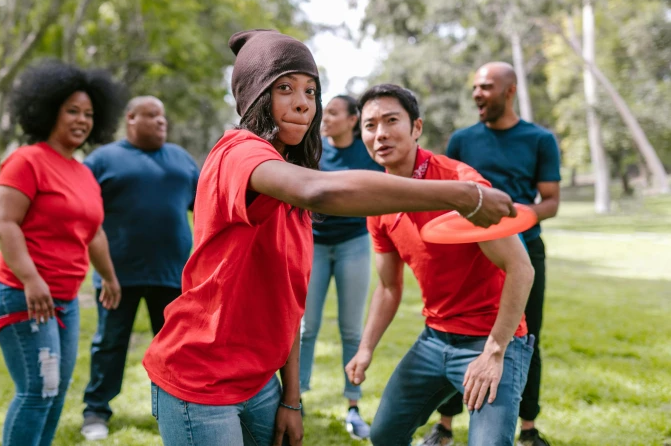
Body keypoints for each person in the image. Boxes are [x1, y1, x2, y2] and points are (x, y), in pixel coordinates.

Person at [141, 29, 517, 446]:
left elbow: (287, 302)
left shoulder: (288, 187)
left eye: (311, 90)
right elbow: (320, 190)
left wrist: (291, 398)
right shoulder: (238, 153)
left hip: (260, 382)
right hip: (201, 378)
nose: (303, 102)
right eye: (284, 88)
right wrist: (460, 195)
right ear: (254, 96)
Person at [345, 84, 536, 446]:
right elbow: (388, 286)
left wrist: (493, 352)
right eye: (370, 125)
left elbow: (521, 268)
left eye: (391, 120)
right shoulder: (378, 201)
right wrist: (366, 348)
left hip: (492, 340)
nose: (380, 133)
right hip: (435, 338)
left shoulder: (462, 186)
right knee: (384, 436)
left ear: (417, 128)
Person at [0, 60, 126, 446]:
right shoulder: (27, 160)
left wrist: (109, 277)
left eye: (89, 114)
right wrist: (31, 279)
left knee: (56, 390)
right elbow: (4, 222)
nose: (82, 120)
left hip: (62, 298)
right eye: (72, 111)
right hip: (21, 290)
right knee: (37, 389)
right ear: (49, 111)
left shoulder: (82, 172)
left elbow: (93, 231)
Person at [429, 62, 560, 446]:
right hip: (469, 255)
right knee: (459, 334)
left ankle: (529, 428)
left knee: (526, 336)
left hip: (524, 251)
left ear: (510, 90)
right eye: (475, 87)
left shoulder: (540, 139)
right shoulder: (462, 140)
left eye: (486, 87)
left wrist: (513, 220)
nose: (477, 94)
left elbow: (550, 200)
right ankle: (446, 425)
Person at [80, 96, 200, 440]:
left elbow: (205, 209)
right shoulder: (102, 160)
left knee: (175, 348)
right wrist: (104, 274)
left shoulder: (181, 159)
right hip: (117, 276)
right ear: (130, 118)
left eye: (163, 116)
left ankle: (180, 410)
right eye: (152, 116)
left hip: (173, 275)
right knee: (110, 344)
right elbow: (85, 216)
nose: (161, 122)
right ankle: (96, 411)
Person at [299, 94, 383, 440]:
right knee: (306, 327)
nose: (325, 118)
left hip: (353, 244)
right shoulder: (311, 148)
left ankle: (353, 407)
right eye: (325, 113)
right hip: (314, 244)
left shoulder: (367, 153)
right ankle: (295, 400)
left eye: (333, 113)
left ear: (352, 119)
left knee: (351, 330)